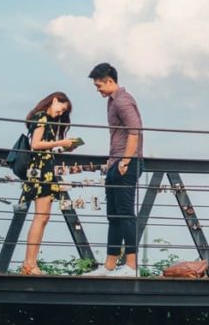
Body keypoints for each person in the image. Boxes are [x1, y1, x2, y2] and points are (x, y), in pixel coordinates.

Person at [83, 62, 144, 277]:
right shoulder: (112, 101)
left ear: (110, 81)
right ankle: (109, 266)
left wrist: (125, 161)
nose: (97, 89)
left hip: (126, 162)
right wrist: (113, 160)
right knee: (114, 215)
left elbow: (135, 131)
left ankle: (131, 267)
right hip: (116, 161)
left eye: (99, 85)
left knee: (126, 214)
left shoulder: (123, 101)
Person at [18, 91, 77, 275]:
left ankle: (31, 263)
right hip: (40, 172)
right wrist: (61, 141)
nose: (61, 113)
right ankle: (29, 264)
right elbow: (36, 144)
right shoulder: (42, 117)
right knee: (40, 217)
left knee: (43, 218)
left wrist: (66, 146)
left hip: (46, 171)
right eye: (61, 108)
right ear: (54, 100)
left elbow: (44, 145)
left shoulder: (46, 120)